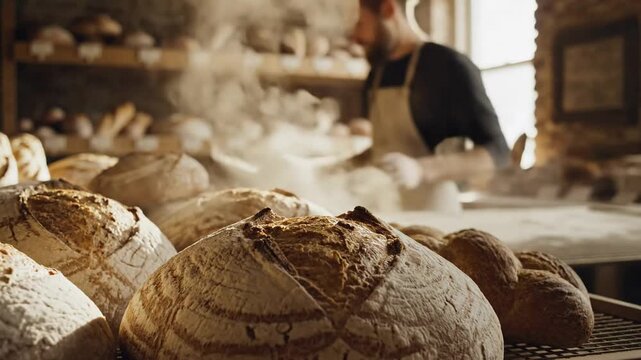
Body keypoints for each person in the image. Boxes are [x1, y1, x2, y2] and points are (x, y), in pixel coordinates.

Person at [352, 0, 510, 211]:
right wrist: (327, 169)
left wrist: (420, 169)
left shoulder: (448, 66)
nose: (356, 37)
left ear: (388, 9)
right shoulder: (377, 74)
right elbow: (384, 150)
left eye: (361, 23)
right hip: (383, 211)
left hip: (434, 214)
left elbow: (497, 152)